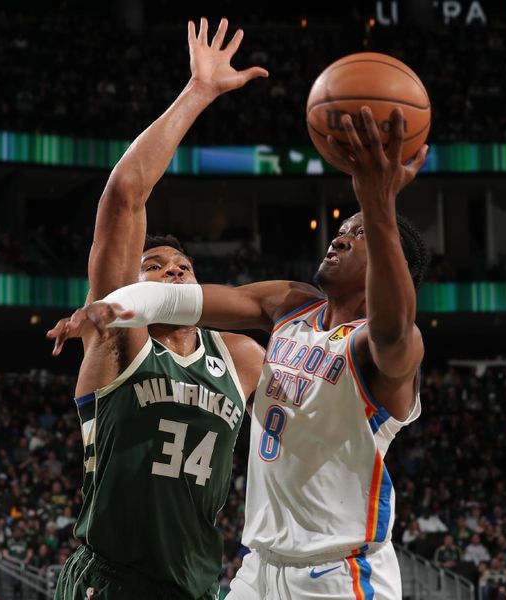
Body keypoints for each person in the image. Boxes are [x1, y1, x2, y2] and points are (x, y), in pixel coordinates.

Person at [51, 103, 429, 598]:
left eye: (357, 235)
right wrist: (117, 304)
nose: (339, 237)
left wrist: (378, 206)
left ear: (387, 260)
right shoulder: (289, 306)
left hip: (339, 571)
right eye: (343, 228)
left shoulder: (379, 348)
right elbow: (189, 297)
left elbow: (394, 327)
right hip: (256, 568)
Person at [48, 18, 268, 600]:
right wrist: (199, 91)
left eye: (182, 266)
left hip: (196, 585)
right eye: (155, 265)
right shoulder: (118, 336)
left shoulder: (242, 357)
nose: (172, 269)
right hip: (113, 581)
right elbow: (126, 197)